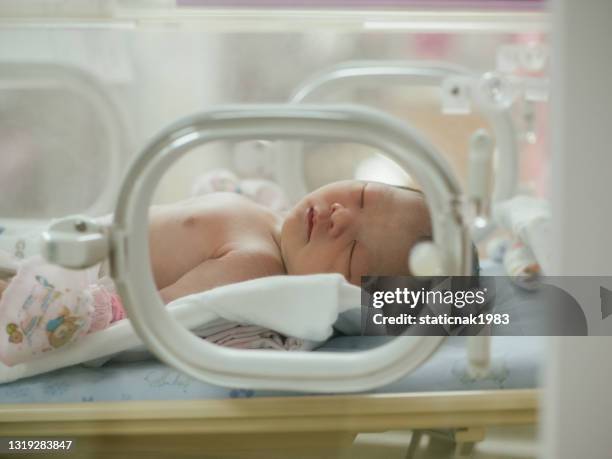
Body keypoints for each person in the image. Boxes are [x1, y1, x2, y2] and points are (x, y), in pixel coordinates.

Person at [0, 180, 431, 363]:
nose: (340, 217)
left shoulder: (257, 264)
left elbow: (159, 310)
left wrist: (83, 309)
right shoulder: (274, 223)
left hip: (63, 275)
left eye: (354, 253)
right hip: (65, 238)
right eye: (361, 195)